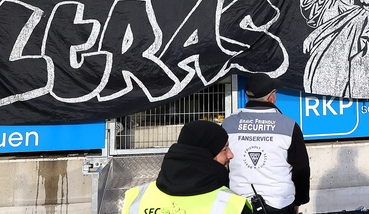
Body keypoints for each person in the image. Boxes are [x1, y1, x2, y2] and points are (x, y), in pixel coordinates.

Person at [121, 120, 251, 214]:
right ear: (205, 156)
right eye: (225, 149)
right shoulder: (231, 205)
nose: (231, 155)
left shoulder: (137, 198)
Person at [223, 75, 310, 214]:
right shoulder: (288, 125)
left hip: (239, 203)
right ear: (271, 97)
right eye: (274, 92)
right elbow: (301, 168)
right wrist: (299, 200)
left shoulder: (228, 124)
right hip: (279, 204)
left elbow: (220, 163)